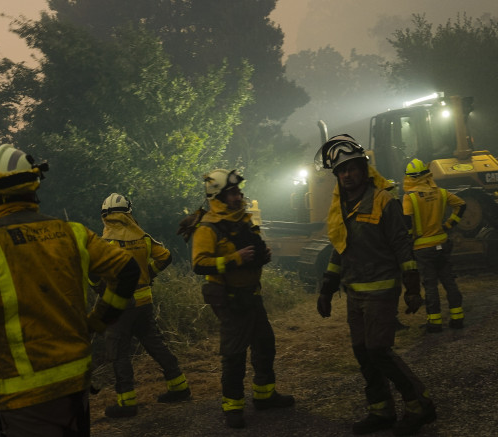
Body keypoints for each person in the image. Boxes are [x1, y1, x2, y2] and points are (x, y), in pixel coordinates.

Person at [0, 144, 141, 437]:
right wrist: (98, 320)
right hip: (76, 382)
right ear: (33, 185)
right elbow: (127, 271)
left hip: (26, 396)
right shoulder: (73, 232)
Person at [315, 135, 438, 436]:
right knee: (362, 351)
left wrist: (412, 288)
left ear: (364, 169)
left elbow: (401, 246)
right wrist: (327, 289)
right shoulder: (341, 206)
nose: (346, 175)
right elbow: (339, 248)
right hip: (355, 292)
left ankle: (419, 405)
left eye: (351, 168)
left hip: (381, 291)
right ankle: (381, 410)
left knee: (378, 350)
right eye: (341, 171)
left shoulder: (384, 201)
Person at [190, 168, 295, 429]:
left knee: (265, 345)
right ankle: (233, 408)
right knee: (234, 355)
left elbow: (251, 251)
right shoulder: (208, 227)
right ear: (218, 197)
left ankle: (265, 395)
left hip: (252, 295)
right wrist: (234, 259)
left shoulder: (242, 221)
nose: (238, 196)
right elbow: (199, 264)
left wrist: (261, 256)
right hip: (230, 300)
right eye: (232, 193)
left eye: (238, 191)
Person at [95, 193, 191, 418]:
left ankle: (127, 403)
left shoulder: (105, 243)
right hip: (144, 301)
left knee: (119, 351)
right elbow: (165, 257)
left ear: (105, 215)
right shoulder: (143, 238)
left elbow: (92, 273)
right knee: (155, 343)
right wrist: (149, 273)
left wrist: (99, 289)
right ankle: (179, 387)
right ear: (129, 213)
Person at [402, 159, 467, 333]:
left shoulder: (409, 197)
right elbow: (461, 205)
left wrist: (409, 240)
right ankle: (457, 318)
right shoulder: (441, 192)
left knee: (430, 286)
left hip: (423, 249)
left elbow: (407, 222)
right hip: (442, 244)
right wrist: (449, 225)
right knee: (449, 282)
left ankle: (435, 322)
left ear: (409, 177)